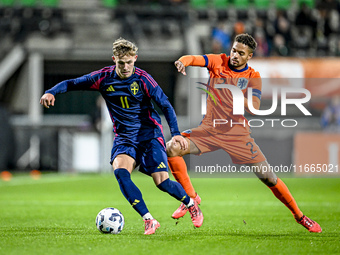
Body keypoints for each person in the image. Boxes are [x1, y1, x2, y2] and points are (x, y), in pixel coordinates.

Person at [40, 37, 203, 235]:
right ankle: (149, 219)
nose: (125, 67)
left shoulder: (143, 79)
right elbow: (72, 83)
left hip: (149, 135)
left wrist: (176, 133)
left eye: (129, 62)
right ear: (114, 60)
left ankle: (191, 203)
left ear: (135, 59)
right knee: (120, 172)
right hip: (124, 137)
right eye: (121, 63)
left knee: (162, 182)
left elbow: (166, 106)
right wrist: (51, 92)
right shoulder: (103, 77)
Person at [166, 33, 322, 233]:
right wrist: (182, 61)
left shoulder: (253, 77)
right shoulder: (218, 61)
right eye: (234, 50)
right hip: (210, 129)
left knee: (269, 177)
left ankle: (300, 217)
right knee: (172, 147)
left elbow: (255, 106)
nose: (235, 56)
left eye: (241, 53)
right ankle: (191, 199)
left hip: (237, 134)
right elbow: (196, 59)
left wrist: (237, 96)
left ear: (249, 57)